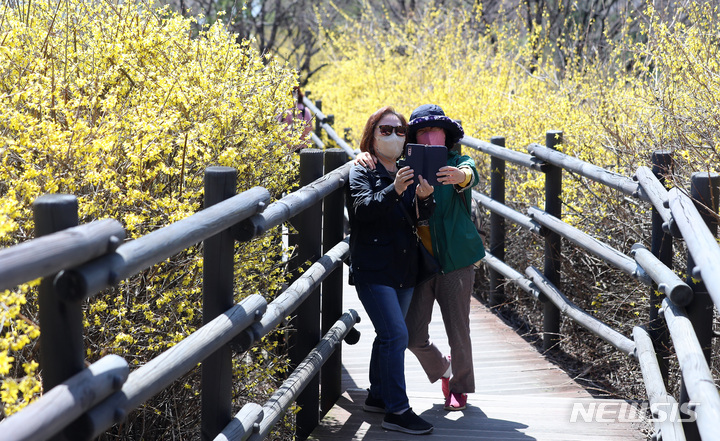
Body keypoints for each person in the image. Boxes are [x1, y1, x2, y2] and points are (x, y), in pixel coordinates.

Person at [355, 104, 485, 412]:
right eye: (421, 131)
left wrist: (460, 176)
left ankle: (459, 388)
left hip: (456, 259)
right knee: (411, 335)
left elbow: (472, 172)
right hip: (417, 261)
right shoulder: (405, 166)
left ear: (446, 134)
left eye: (434, 130)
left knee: (458, 329)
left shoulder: (456, 162)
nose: (428, 136)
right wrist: (363, 156)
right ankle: (445, 369)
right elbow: (379, 169)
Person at [347, 106, 435, 435]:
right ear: (371, 136)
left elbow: (418, 216)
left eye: (400, 131)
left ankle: (378, 395)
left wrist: (425, 198)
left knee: (388, 334)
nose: (394, 136)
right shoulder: (361, 170)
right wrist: (394, 189)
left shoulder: (406, 170)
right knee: (396, 334)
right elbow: (362, 212)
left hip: (404, 266)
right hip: (373, 268)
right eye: (385, 130)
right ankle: (397, 410)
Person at [280, 86, 313, 151]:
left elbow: (280, 129)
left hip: (287, 148)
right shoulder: (305, 110)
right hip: (303, 147)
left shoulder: (285, 112)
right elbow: (310, 127)